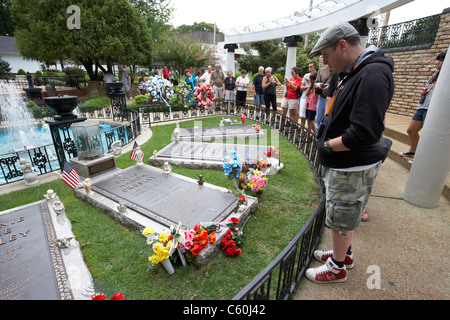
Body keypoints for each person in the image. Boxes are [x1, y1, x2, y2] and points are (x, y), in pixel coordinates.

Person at [305, 22, 394, 284]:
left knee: (342, 214)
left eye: (325, 55)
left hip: (351, 165)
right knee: (343, 215)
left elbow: (364, 132)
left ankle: (337, 268)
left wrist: (326, 146)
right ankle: (345, 254)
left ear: (342, 45)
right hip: (345, 164)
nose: (325, 61)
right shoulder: (354, 72)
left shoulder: (372, 75)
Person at [400, 50, 446, 163]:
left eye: (441, 61)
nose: (438, 63)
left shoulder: (446, 78)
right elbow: (427, 88)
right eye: (438, 60)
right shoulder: (434, 76)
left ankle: (422, 159)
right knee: (411, 130)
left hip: (433, 110)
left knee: (428, 136)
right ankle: (413, 150)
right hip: (423, 107)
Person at [314, 61, 333, 136]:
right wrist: (319, 85)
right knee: (319, 121)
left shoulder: (339, 68)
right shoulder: (322, 70)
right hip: (322, 98)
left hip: (333, 99)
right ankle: (316, 141)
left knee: (328, 121)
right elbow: (315, 83)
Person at [299, 61, 317, 129]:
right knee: (302, 116)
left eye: (311, 67)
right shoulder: (306, 75)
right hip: (304, 97)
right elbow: (301, 87)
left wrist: (310, 81)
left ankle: (313, 134)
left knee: (310, 119)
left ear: (315, 67)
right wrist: (309, 87)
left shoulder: (317, 76)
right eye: (309, 67)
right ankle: (302, 131)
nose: (309, 68)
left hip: (312, 99)